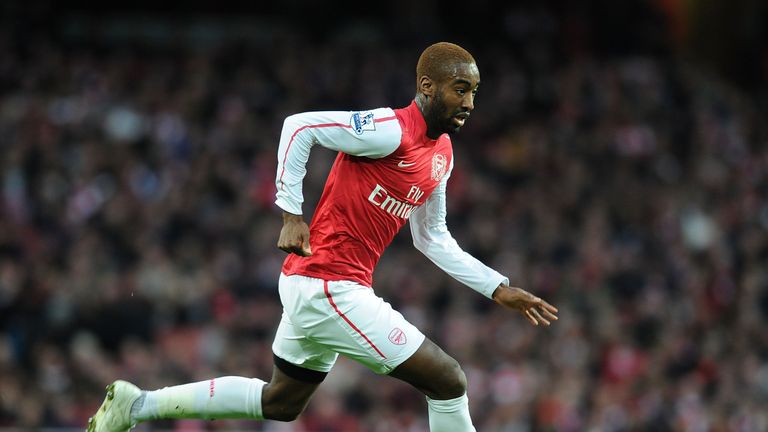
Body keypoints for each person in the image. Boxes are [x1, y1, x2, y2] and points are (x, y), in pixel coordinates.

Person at [87, 41, 558, 432]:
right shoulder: (390, 130)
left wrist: (497, 287)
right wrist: (291, 212)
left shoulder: (442, 154)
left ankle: (137, 406)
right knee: (449, 380)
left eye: (475, 92)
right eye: (461, 89)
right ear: (427, 86)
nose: (471, 103)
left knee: (281, 402)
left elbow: (432, 237)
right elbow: (300, 126)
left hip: (320, 285)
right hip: (329, 285)